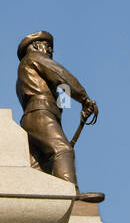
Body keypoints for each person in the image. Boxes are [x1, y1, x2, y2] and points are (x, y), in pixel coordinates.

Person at [16, 31, 100, 195]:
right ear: (35, 46)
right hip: (41, 113)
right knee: (63, 150)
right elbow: (61, 76)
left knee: (40, 166)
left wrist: (81, 112)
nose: (49, 51)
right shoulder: (34, 58)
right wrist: (84, 99)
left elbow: (63, 93)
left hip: (35, 116)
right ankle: (71, 194)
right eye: (46, 46)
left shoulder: (26, 74)